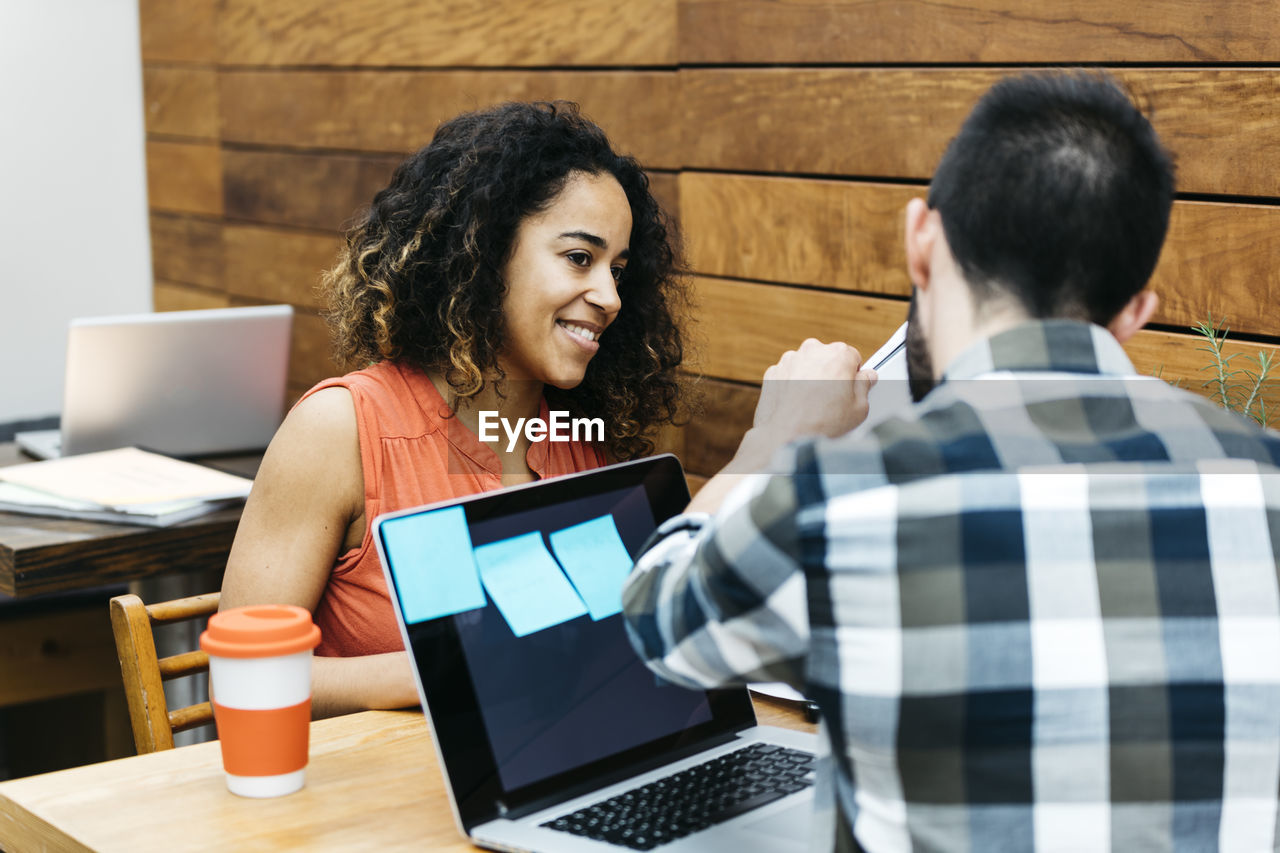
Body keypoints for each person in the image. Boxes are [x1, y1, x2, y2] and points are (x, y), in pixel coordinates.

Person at [622, 72, 1280, 851]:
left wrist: (771, 445)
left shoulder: (842, 499)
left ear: (921, 242)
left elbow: (658, 619)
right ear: (1136, 311)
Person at [222, 101, 686, 718]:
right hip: (376, 800)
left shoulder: (581, 438)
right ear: (484, 251)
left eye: (619, 271)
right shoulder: (339, 428)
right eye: (579, 257)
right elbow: (242, 675)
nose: (609, 297)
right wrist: (448, 670)